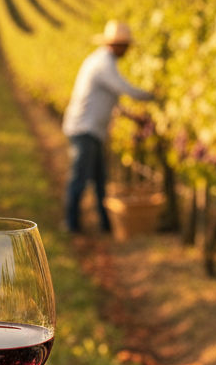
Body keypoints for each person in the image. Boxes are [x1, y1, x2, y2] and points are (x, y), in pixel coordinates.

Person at [62, 20, 152, 233]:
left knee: (100, 180)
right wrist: (152, 96)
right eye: (126, 45)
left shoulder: (104, 62)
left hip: (92, 131)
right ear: (116, 45)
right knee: (81, 178)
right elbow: (124, 89)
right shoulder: (103, 64)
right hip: (84, 129)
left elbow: (113, 99)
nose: (128, 49)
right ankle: (71, 224)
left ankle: (105, 225)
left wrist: (133, 117)